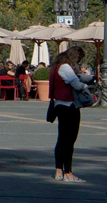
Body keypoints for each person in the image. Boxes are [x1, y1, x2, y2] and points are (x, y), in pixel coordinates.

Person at [50, 46, 90, 183]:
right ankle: (68, 172)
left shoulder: (55, 67)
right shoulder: (65, 67)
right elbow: (77, 85)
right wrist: (86, 87)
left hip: (59, 105)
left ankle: (58, 170)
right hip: (69, 105)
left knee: (61, 139)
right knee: (69, 140)